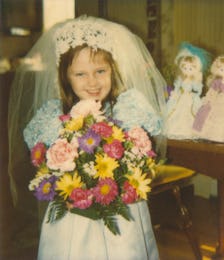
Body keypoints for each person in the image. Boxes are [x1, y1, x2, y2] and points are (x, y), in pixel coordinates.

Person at [8, 16, 168, 260]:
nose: (93, 82)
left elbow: (142, 159)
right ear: (65, 77)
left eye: (100, 71)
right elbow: (46, 166)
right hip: (72, 214)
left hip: (120, 213)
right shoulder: (54, 116)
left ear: (113, 70)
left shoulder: (127, 108)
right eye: (80, 74)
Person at [166, 42, 211, 139]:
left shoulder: (194, 81)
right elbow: (177, 87)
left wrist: (194, 95)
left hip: (190, 99)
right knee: (176, 114)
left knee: (190, 115)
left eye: (190, 68)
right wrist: (175, 94)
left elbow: (198, 90)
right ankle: (175, 130)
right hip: (180, 98)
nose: (187, 70)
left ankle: (190, 131)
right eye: (184, 67)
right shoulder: (180, 79)